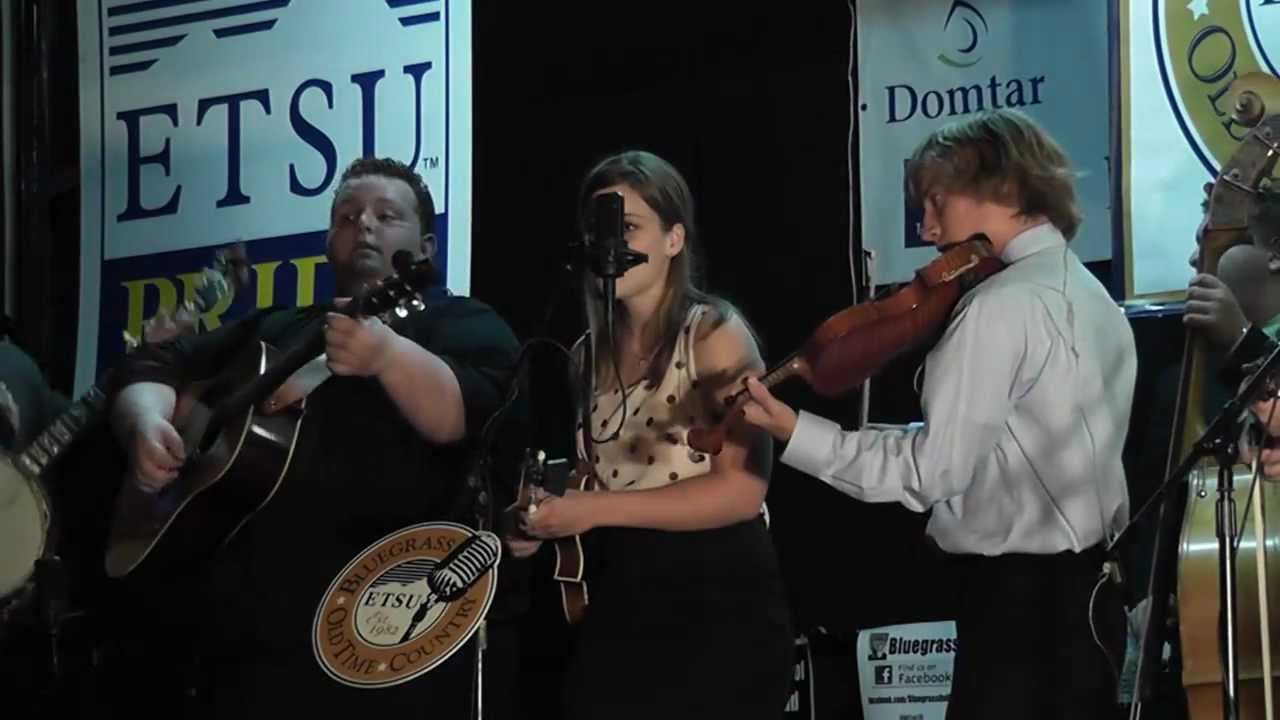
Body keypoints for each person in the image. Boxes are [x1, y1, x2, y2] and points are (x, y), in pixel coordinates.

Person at [739, 110, 1136, 720]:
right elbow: (989, 450)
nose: (926, 228)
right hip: (1091, 600)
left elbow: (933, 471)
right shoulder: (1094, 297)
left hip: (1020, 612)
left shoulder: (999, 307)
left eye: (935, 200)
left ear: (996, 188)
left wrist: (795, 432)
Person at [105, 157, 522, 718]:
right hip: (245, 639)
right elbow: (153, 363)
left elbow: (469, 416)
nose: (364, 226)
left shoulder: (461, 323)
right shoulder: (279, 326)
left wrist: (388, 356)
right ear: (328, 241)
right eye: (346, 216)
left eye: (384, 214)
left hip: (380, 638)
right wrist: (145, 424)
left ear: (424, 247)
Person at [515, 150, 793, 720]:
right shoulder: (584, 354)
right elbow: (596, 473)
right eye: (597, 229)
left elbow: (742, 491)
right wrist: (541, 519)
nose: (608, 243)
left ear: (674, 239)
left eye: (627, 227)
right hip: (624, 591)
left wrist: (594, 511)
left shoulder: (713, 332)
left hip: (718, 592)